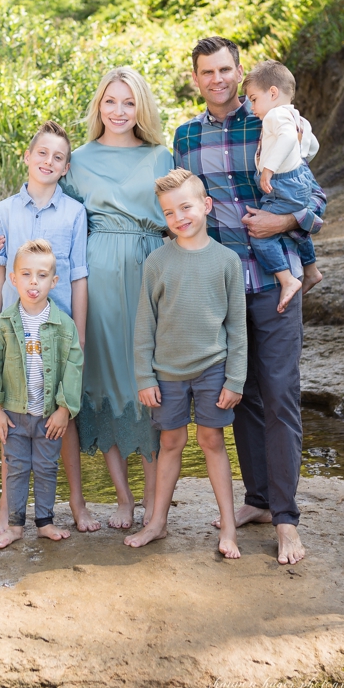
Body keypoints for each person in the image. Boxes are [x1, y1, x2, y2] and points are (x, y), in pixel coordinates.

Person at [174, 35, 320, 566]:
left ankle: (286, 520)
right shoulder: (186, 137)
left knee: (279, 396)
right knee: (242, 397)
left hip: (275, 285)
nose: (217, 79)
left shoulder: (271, 120)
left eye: (225, 70)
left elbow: (313, 196)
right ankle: (258, 500)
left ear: (239, 73)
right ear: (196, 79)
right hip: (222, 292)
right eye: (206, 72)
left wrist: (282, 223)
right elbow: (182, 210)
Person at [61, 67, 175, 530]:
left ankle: (153, 499)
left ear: (141, 107)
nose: (119, 110)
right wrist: (3, 245)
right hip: (97, 283)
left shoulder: (161, 156)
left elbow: (181, 218)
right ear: (99, 105)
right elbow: (57, 216)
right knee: (106, 384)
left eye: (129, 102)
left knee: (148, 384)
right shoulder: (78, 159)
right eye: (111, 101)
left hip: (149, 273)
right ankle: (123, 499)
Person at [125, 169, 247, 561]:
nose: (179, 217)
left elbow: (237, 327)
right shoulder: (157, 262)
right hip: (167, 373)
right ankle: (157, 523)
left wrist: (236, 379)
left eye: (186, 207)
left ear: (206, 205)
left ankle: (228, 527)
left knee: (212, 441)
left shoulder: (227, 261)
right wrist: (144, 376)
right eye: (169, 212)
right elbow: (144, 326)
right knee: (170, 443)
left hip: (213, 368)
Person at [0, 123, 95, 536]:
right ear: (27, 157)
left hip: (58, 331)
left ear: (66, 168)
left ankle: (77, 503)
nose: (48, 161)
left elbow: (79, 277)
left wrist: (80, 333)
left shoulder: (74, 213)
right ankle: (6, 510)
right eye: (42, 153)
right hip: (14, 329)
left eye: (58, 157)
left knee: (64, 415)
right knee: (12, 416)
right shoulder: (4, 211)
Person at [0, 240, 82, 552]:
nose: (33, 282)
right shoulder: (3, 325)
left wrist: (64, 410)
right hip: (13, 415)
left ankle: (45, 522)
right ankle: (14, 526)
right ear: (13, 279)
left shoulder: (64, 325)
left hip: (48, 415)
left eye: (41, 275)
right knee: (16, 468)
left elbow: (74, 368)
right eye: (26, 274)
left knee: (47, 468)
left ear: (54, 281)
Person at [241, 61, 322, 314]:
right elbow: (313, 146)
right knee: (295, 229)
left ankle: (287, 280)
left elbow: (287, 138)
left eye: (254, 99)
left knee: (260, 234)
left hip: (281, 182)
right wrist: (298, 162)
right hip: (299, 179)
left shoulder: (275, 115)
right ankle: (311, 269)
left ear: (273, 93)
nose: (252, 108)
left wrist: (270, 168)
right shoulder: (298, 117)